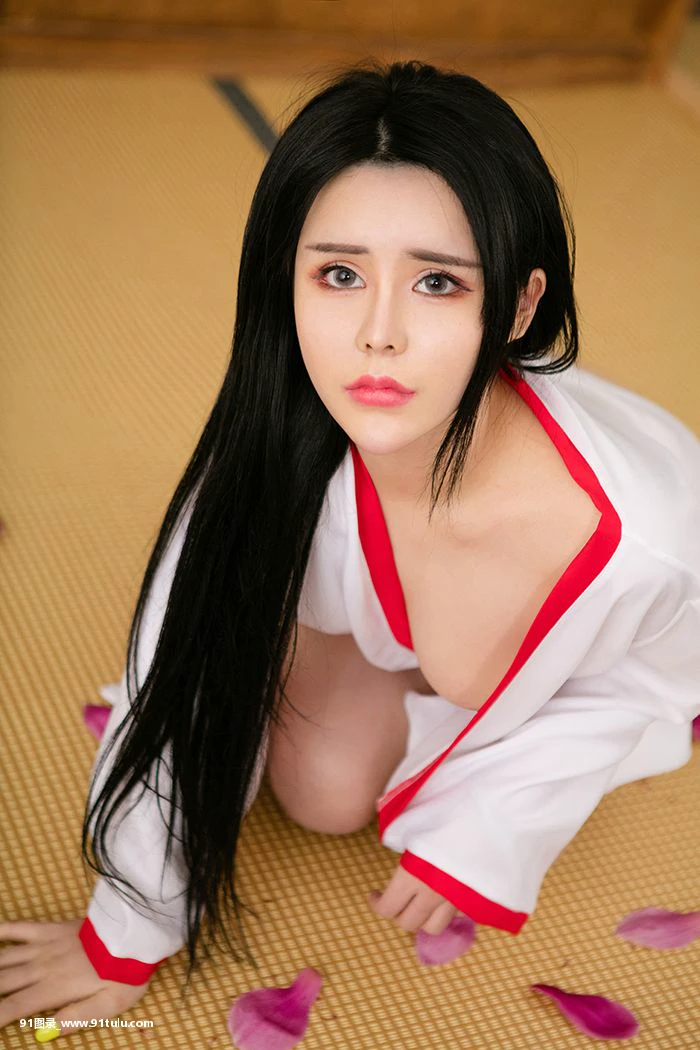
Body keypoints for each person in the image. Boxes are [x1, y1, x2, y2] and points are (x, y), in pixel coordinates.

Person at [2, 57, 699, 1038]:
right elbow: (181, 667)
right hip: (379, 576)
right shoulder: (281, 449)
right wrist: (124, 933)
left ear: (517, 305)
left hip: (614, 638)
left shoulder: (645, 547)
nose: (378, 336)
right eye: (338, 274)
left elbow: (644, 690)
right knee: (324, 792)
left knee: (343, 782)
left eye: (436, 282)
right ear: (284, 282)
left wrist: (491, 824)